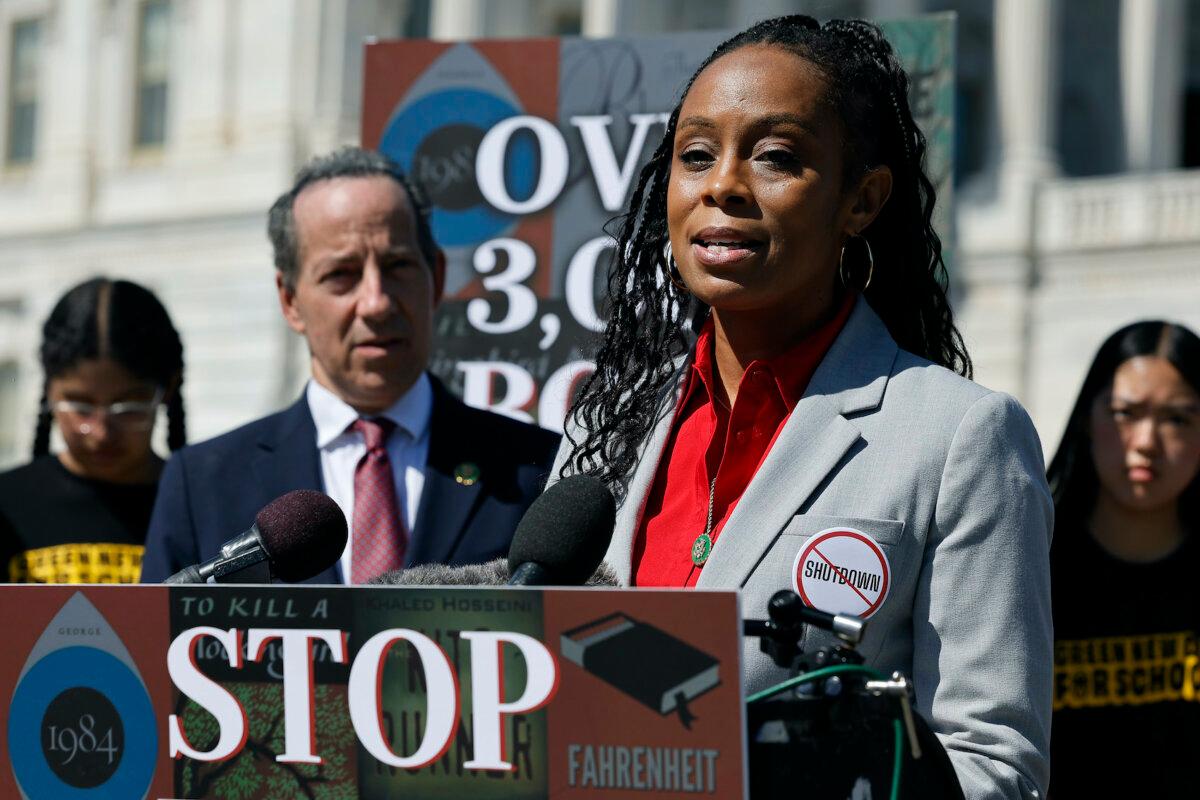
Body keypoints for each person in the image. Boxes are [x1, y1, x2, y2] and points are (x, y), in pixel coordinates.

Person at [550, 16, 1052, 800]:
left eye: (776, 156)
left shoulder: (964, 437)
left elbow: (996, 771)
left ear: (862, 199)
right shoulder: (604, 423)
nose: (723, 184)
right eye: (695, 155)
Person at [140, 147, 560, 585]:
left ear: (435, 279)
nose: (377, 302)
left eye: (398, 266)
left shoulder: (537, 471)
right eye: (342, 274)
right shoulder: (203, 483)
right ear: (290, 300)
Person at [1047, 321, 1200, 798]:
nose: (1147, 441)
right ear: (1088, 421)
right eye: (1125, 413)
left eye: (1177, 419)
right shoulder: (1026, 565)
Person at [0, 277, 185, 583]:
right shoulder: (5, 508)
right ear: (48, 389)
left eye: (127, 408)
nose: (100, 433)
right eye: (80, 406)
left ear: (167, 390)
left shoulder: (201, 509)